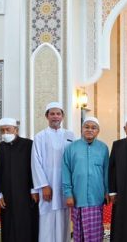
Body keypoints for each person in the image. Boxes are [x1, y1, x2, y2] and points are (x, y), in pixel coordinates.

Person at [31, 102, 75, 242]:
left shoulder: (70, 135)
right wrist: (43, 185)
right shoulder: (40, 137)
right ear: (46, 116)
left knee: (64, 219)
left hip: (65, 186)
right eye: (52, 114)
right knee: (47, 219)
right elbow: (35, 163)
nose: (55, 117)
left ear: (62, 116)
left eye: (58, 113)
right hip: (47, 186)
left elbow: (74, 160)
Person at [62, 116, 109, 242]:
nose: (90, 130)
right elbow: (66, 172)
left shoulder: (103, 148)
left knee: (96, 234)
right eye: (87, 127)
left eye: (94, 128)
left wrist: (107, 191)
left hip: (96, 197)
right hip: (78, 197)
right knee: (79, 234)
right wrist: (68, 194)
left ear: (98, 131)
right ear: (82, 129)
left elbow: (106, 172)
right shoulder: (71, 148)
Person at [0, 117, 39, 242]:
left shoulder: (29, 145)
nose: (5, 133)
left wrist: (34, 189)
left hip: (26, 193)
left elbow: (35, 167)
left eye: (8, 129)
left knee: (28, 223)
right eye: (2, 130)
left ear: (16, 130)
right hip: (7, 195)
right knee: (9, 224)